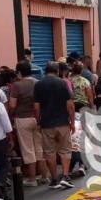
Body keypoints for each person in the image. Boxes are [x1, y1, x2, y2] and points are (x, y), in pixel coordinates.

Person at [34, 62, 76, 190]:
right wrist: (72, 122)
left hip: (47, 123)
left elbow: (36, 107)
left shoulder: (39, 84)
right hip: (62, 122)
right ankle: (65, 176)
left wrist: (38, 121)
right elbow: (70, 104)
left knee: (49, 152)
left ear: (46, 71)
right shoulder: (63, 83)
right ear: (57, 71)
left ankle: (54, 179)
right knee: (65, 150)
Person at [10, 61, 48, 187]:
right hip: (38, 118)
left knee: (28, 149)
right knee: (39, 148)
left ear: (19, 72)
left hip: (22, 119)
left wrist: (11, 114)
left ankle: (32, 179)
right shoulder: (38, 83)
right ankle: (44, 176)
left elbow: (12, 105)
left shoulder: (16, 85)